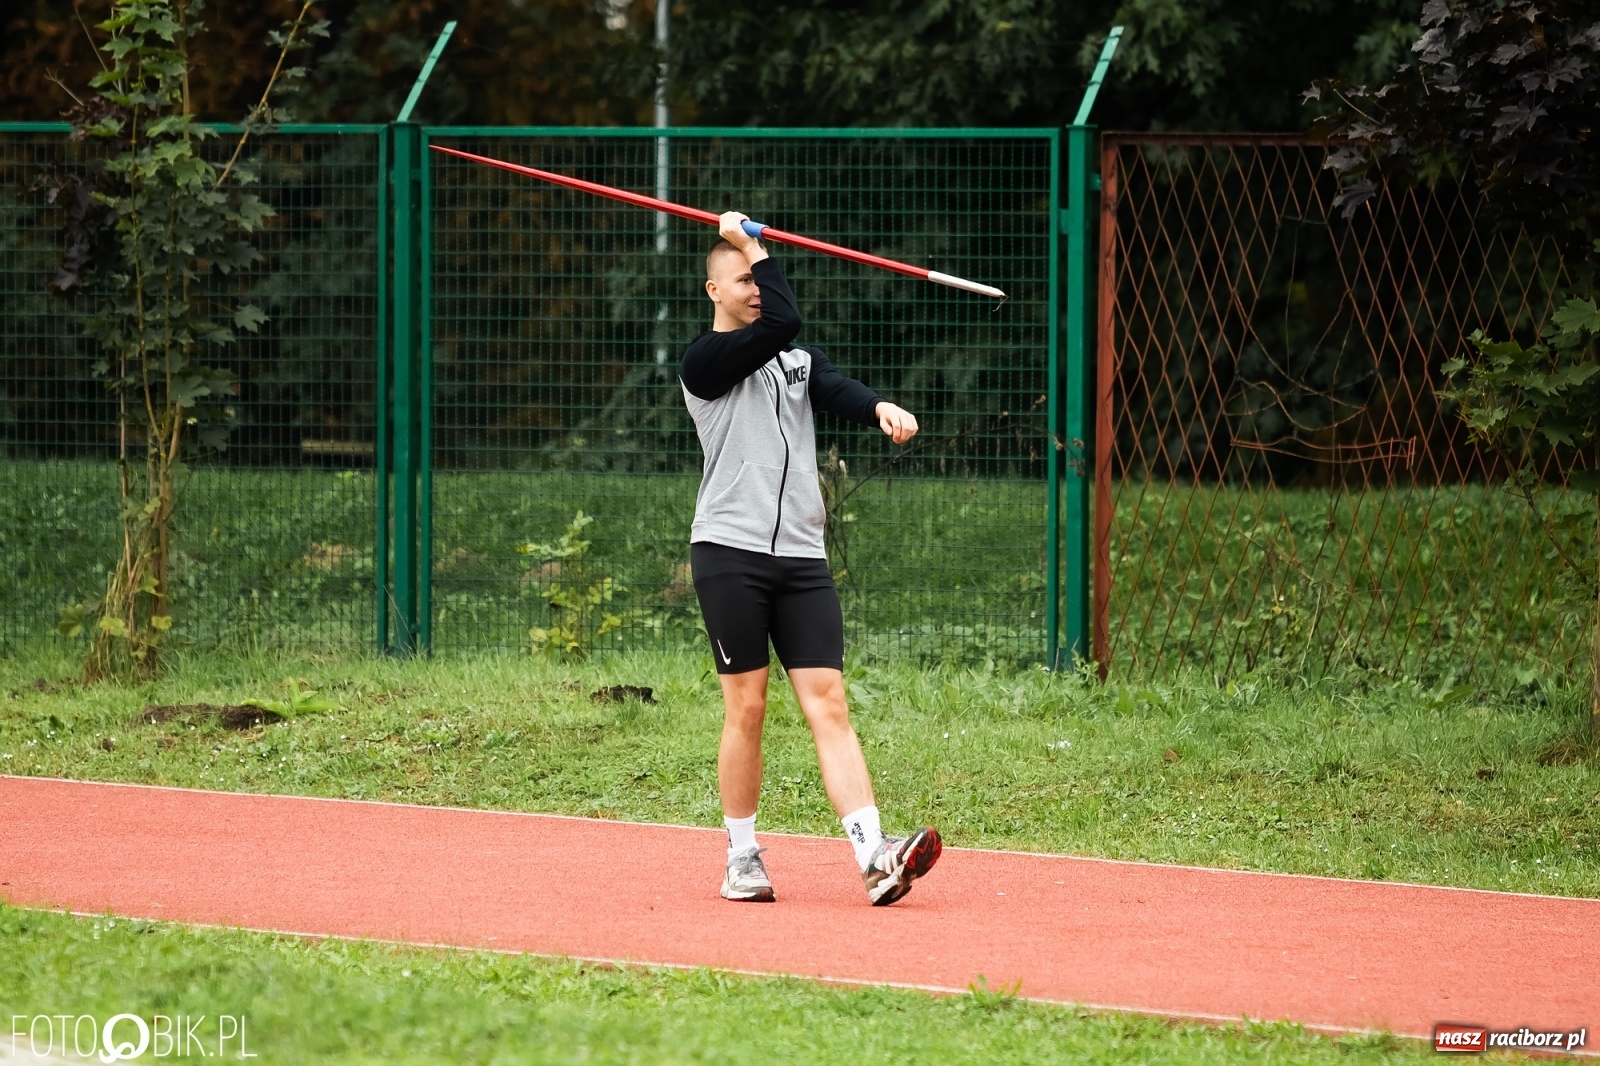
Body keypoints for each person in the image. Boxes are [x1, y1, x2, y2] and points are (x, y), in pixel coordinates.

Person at [678, 210, 942, 906]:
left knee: (829, 703)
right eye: (742, 278)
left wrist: (880, 405)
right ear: (715, 291)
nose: (756, 288)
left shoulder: (793, 362)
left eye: (759, 277)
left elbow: (830, 386)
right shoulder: (705, 364)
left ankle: (875, 857)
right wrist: (753, 245)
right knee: (750, 707)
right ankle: (741, 856)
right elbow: (781, 325)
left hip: (801, 557)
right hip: (728, 553)